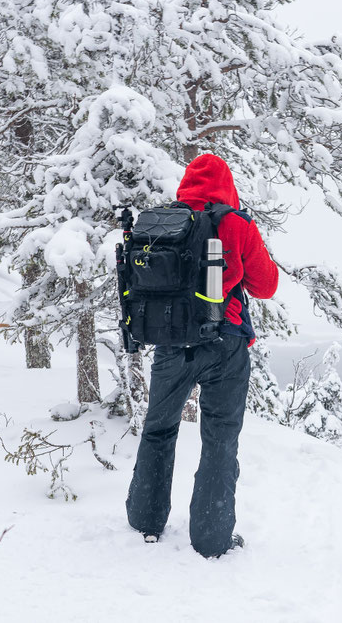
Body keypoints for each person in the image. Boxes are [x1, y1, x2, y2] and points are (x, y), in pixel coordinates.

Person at [125, 154, 279, 557]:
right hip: (226, 342)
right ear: (227, 187)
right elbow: (266, 285)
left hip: (171, 342)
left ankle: (146, 520)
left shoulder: (162, 222)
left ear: (186, 183)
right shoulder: (237, 223)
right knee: (220, 439)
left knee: (159, 429)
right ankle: (212, 539)